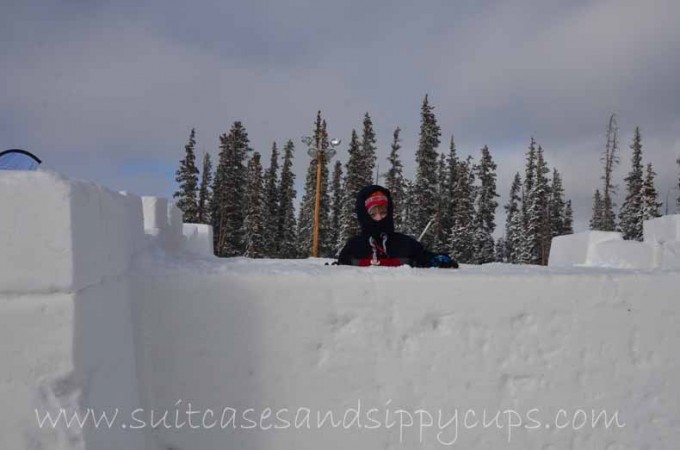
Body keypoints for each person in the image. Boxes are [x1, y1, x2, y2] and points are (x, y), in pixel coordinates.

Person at [337, 185, 458, 268]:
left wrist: (439, 260)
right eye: (373, 214)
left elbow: (425, 257)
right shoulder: (355, 246)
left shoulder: (404, 243)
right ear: (364, 216)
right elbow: (342, 266)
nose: (379, 218)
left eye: (383, 212)